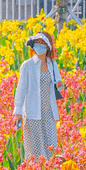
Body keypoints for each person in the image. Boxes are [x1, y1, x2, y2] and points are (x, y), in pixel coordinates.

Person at [13, 30, 64, 160]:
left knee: (51, 146)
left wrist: (60, 85)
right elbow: (21, 89)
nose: (39, 46)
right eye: (37, 43)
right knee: (36, 149)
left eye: (42, 43)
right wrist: (18, 111)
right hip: (32, 112)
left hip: (48, 112)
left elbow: (59, 84)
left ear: (48, 47)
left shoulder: (52, 64)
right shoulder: (27, 65)